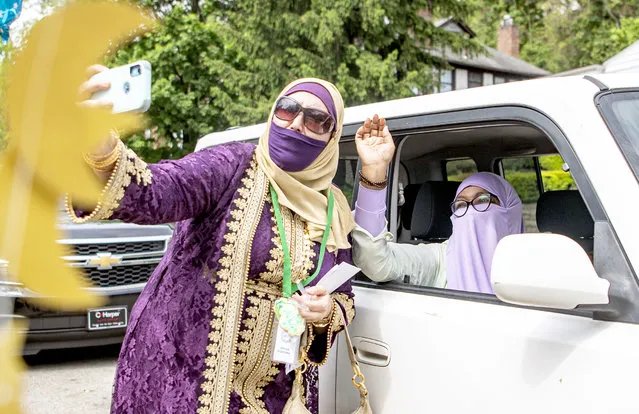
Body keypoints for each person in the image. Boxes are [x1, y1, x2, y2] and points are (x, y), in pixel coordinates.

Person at [71, 66, 357, 413]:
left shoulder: (333, 209)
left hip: (276, 394)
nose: (296, 124)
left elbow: (344, 297)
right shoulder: (231, 166)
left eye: (316, 119)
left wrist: (326, 310)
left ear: (331, 136)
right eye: (287, 109)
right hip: (184, 380)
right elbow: (160, 189)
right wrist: (102, 151)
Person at [351, 115, 524, 294]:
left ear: (509, 209)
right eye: (461, 205)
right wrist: (374, 171)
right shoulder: (441, 259)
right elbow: (376, 262)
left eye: (482, 200)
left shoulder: (536, 261)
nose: (471, 212)